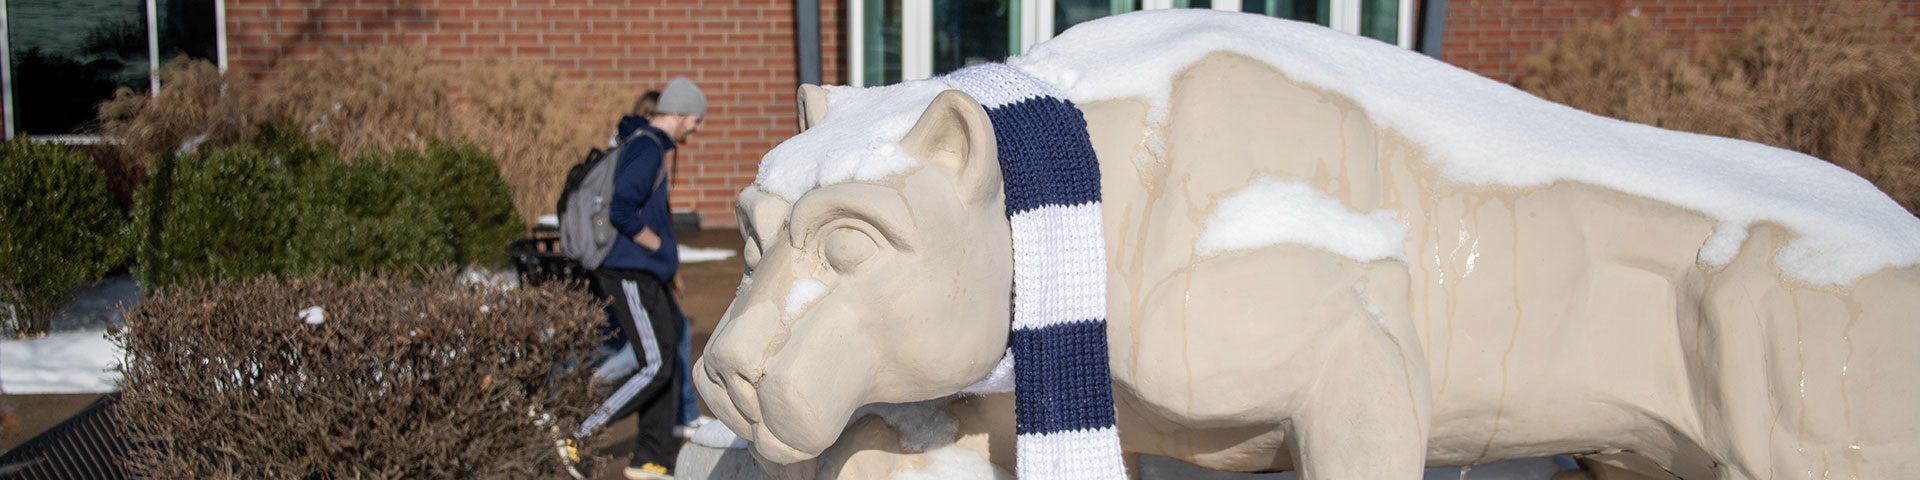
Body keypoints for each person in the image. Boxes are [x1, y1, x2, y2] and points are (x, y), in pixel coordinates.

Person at [576, 77, 704, 480]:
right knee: (655, 364)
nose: (696, 130)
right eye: (696, 121)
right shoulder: (646, 149)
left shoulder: (651, 148)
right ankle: (578, 429)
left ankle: (650, 458)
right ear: (680, 114)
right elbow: (621, 210)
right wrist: (652, 243)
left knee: (668, 362)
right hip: (630, 272)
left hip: (647, 273)